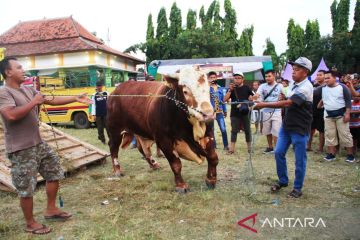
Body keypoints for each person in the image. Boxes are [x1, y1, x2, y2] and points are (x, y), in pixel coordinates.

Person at [0, 57, 91, 234]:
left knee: (54, 171)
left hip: (38, 143)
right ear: (8, 72)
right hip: (21, 148)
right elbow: (10, 115)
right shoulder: (4, 93)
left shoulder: (27, 89)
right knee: (26, 186)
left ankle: (51, 209)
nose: (23, 69)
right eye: (19, 67)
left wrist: (75, 98)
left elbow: (50, 99)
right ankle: (30, 223)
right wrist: (34, 102)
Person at [254, 57, 313, 198]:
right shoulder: (293, 84)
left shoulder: (306, 87)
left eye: (297, 69)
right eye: (293, 69)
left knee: (300, 159)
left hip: (300, 128)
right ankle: (283, 181)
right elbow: (286, 99)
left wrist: (263, 104)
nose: (293, 72)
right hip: (287, 126)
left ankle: (297, 188)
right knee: (278, 152)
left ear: (305, 72)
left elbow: (289, 103)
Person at [318, 71, 355, 163]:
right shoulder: (323, 88)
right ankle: (331, 154)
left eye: (328, 78)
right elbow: (319, 95)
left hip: (341, 115)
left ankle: (350, 155)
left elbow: (348, 102)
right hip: (328, 115)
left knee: (345, 135)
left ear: (335, 78)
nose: (326, 80)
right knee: (329, 135)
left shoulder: (343, 87)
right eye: (325, 78)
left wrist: (347, 114)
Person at [253, 70, 283, 154]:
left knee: (276, 131)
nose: (267, 78)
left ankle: (277, 149)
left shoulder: (280, 86)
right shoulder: (262, 86)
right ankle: (270, 147)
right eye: (266, 76)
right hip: (265, 111)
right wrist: (254, 97)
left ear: (274, 76)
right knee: (267, 131)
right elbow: (257, 94)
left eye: (269, 76)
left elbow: (285, 96)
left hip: (276, 111)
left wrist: (282, 98)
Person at [224, 72, 254, 154]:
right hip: (234, 113)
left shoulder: (247, 88)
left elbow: (252, 100)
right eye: (235, 78)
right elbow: (224, 100)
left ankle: (249, 148)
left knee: (247, 130)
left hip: (245, 112)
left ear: (242, 79)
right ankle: (231, 149)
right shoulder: (231, 88)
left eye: (238, 78)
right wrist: (230, 90)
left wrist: (246, 102)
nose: (237, 80)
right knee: (234, 131)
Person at [207, 71, 229, 150]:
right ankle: (214, 145)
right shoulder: (207, 88)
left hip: (219, 112)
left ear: (216, 78)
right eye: (211, 77)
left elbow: (223, 100)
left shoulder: (220, 88)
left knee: (223, 129)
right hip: (211, 113)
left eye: (214, 77)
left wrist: (225, 110)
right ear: (208, 79)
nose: (213, 79)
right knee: (211, 130)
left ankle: (226, 145)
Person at [307, 70, 326, 153]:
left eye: (320, 75)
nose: (318, 76)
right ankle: (308, 146)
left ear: (325, 76)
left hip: (322, 110)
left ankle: (320, 148)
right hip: (312, 110)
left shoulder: (327, 86)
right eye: (317, 75)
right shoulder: (313, 85)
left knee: (321, 130)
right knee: (310, 129)